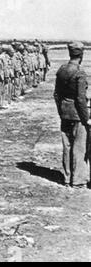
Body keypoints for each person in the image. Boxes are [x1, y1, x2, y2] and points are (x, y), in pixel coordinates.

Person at [53, 41, 90, 188]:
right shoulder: (79, 73)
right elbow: (81, 99)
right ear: (81, 54)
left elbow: (56, 94)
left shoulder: (61, 70)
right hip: (77, 115)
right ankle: (78, 180)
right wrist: (86, 118)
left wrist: (61, 110)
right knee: (79, 147)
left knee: (67, 145)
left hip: (65, 113)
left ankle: (67, 177)